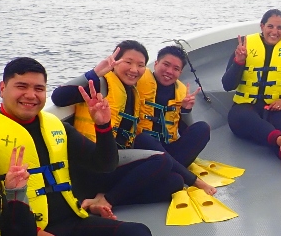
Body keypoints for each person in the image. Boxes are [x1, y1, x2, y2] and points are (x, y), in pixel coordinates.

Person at [0, 57, 227, 236]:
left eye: (38, 89)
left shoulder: (54, 125)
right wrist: (35, 235)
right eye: (21, 86)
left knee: (136, 233)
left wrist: (103, 126)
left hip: (69, 227)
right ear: (2, 88)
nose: (31, 95)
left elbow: (103, 164)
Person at [51, 40, 187, 211]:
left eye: (140, 65)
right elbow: (58, 97)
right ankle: (107, 200)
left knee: (175, 182)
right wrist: (93, 73)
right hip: (93, 165)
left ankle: (100, 201)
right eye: (128, 62)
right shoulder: (101, 84)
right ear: (114, 61)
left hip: (113, 163)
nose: (134, 69)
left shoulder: (132, 90)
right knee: (162, 160)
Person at [222, 8, 281, 168]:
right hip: (246, 108)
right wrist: (239, 62)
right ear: (262, 26)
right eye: (270, 26)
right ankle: (280, 142)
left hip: (279, 108)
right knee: (246, 118)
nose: (274, 31)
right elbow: (227, 85)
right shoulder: (243, 50)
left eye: (280, 28)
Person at [129, 45, 215, 192]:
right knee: (144, 138)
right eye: (166, 65)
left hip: (169, 150)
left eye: (176, 69)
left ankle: (168, 172)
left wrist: (186, 110)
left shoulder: (181, 92)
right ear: (156, 64)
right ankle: (192, 179)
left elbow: (185, 131)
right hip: (142, 150)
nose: (169, 71)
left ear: (180, 72)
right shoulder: (136, 81)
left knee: (202, 128)